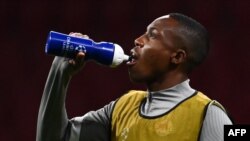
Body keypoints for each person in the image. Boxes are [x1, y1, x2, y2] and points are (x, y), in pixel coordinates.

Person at [36, 13, 233, 141]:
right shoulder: (121, 108)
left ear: (178, 57)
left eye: (152, 35)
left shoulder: (208, 114)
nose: (138, 40)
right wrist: (60, 72)